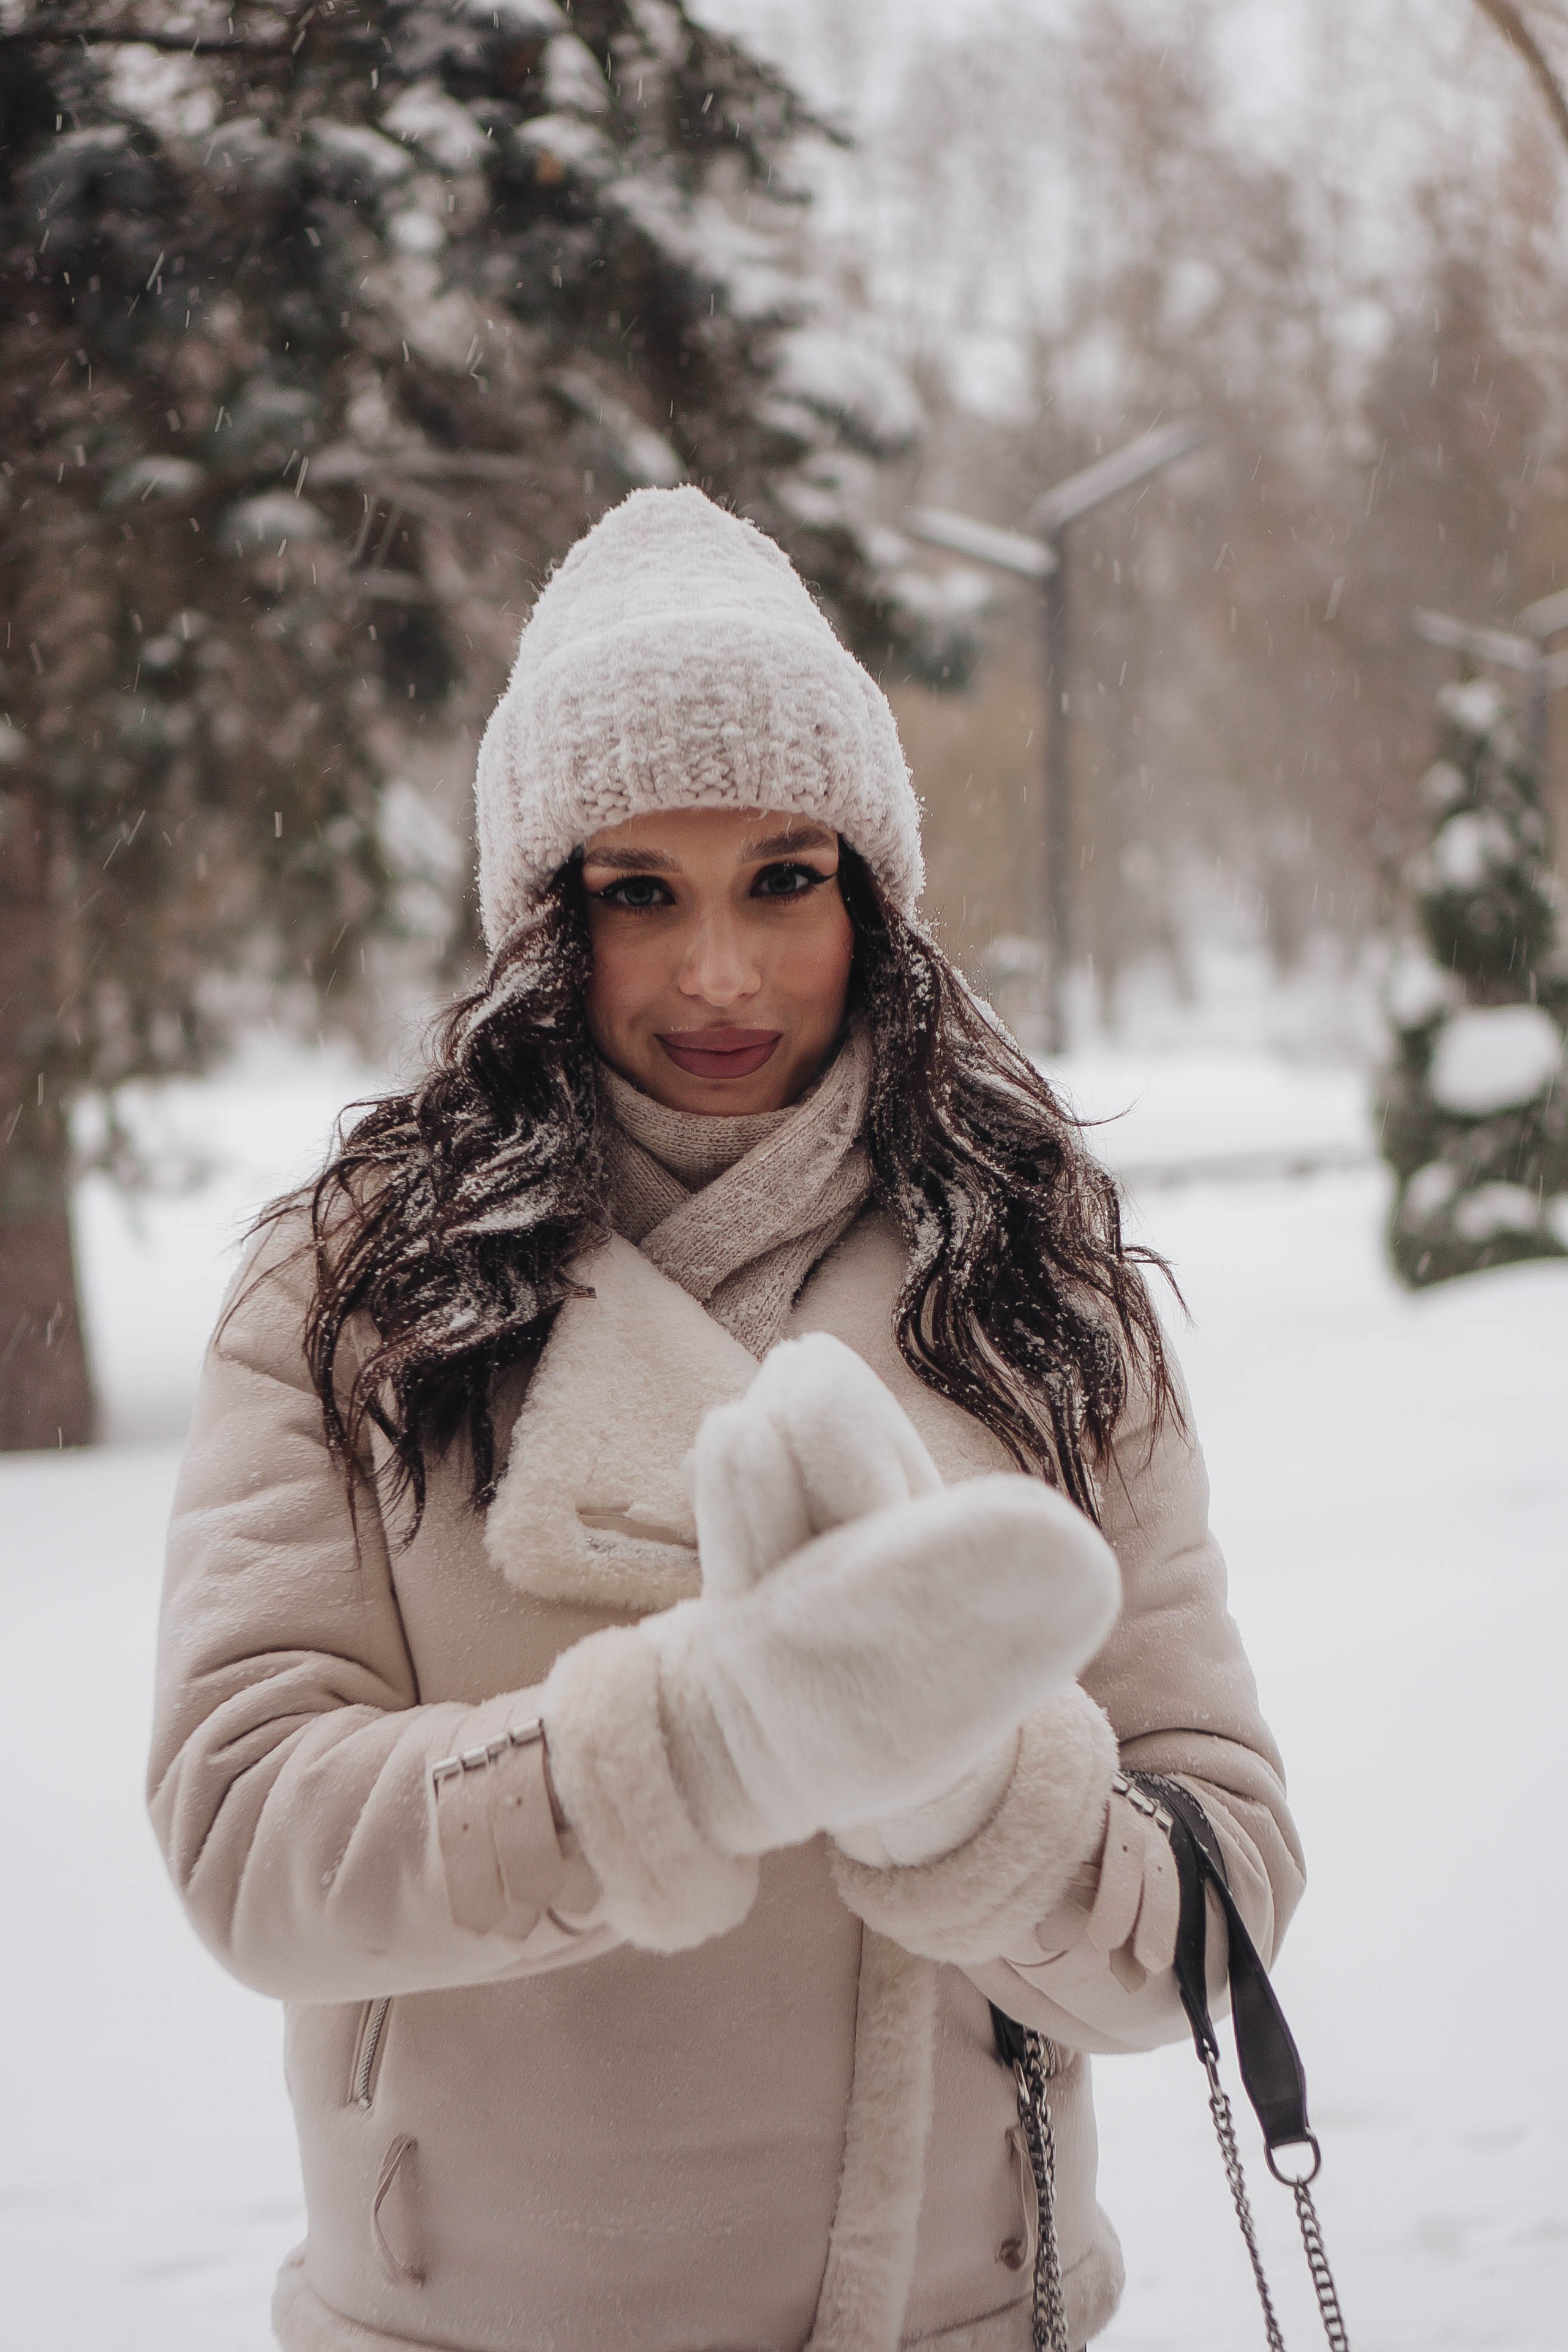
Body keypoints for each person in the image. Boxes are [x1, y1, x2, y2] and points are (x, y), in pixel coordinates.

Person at [149, 486, 1302, 2352]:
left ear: (871, 893)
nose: (718, 977)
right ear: (545, 918)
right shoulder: (353, 1286)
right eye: (639, 895)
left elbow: (1220, 1881)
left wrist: (979, 1802)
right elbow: (250, 1837)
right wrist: (686, 1748)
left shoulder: (1024, 1279)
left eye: (782, 879)